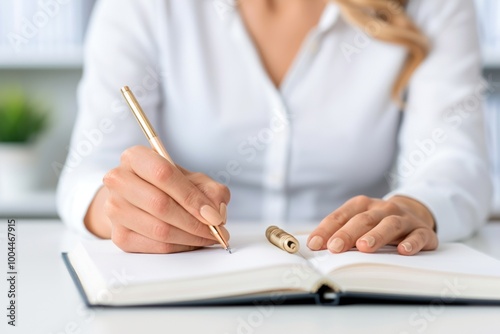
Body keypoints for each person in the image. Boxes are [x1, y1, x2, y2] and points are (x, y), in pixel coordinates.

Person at [57, 0, 492, 256]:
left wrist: (418, 207)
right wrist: (115, 205)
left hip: (359, 279)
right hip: (188, 279)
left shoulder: (433, 6)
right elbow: (89, 165)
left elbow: (455, 158)